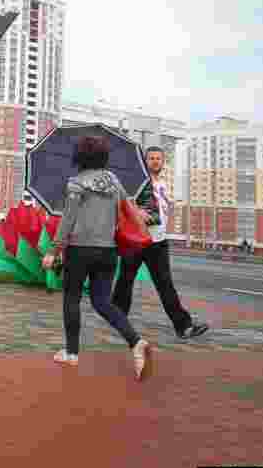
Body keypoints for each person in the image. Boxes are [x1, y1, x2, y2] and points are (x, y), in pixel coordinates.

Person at [42, 136, 154, 381]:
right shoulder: (113, 181)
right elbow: (129, 209)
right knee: (103, 302)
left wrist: (53, 251)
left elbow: (68, 220)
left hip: (80, 250)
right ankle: (136, 341)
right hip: (108, 251)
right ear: (103, 157)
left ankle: (71, 353)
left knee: (71, 298)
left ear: (79, 156)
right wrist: (142, 225)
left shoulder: (76, 183)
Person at [111, 146, 209, 339]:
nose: (155, 161)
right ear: (144, 161)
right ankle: (117, 320)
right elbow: (121, 201)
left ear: (163, 162)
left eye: (158, 158)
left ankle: (184, 327)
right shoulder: (136, 182)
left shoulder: (163, 184)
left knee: (165, 284)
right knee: (125, 282)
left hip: (158, 242)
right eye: (151, 158)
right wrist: (136, 211)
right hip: (136, 240)